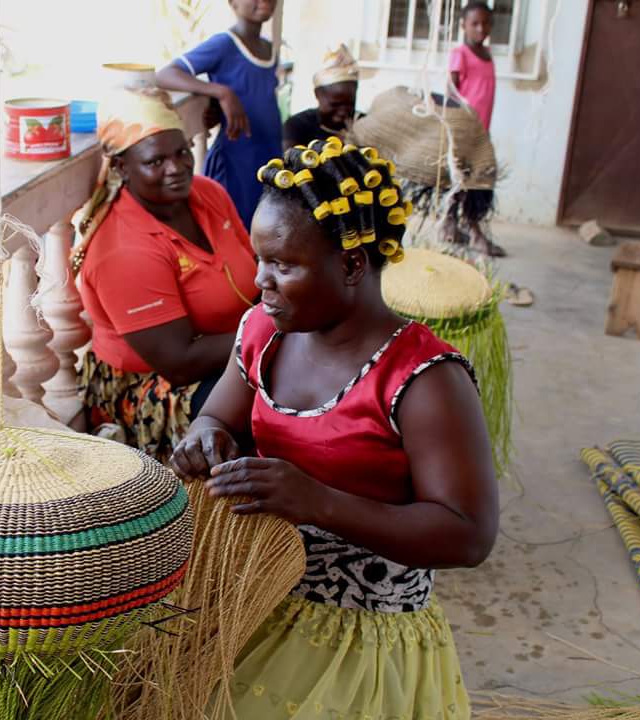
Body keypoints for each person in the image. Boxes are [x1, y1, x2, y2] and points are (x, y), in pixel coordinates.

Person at [171, 143, 498, 719]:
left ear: (351, 265)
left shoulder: (424, 380)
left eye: (283, 265)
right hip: (256, 598)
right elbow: (217, 414)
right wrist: (205, 437)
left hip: (362, 632)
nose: (260, 282)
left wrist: (318, 502)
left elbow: (468, 535)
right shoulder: (262, 333)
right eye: (259, 259)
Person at [72, 88, 258, 462]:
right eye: (155, 161)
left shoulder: (208, 194)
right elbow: (179, 361)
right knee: (270, 404)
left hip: (236, 349)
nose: (176, 168)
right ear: (122, 168)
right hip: (153, 386)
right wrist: (276, 334)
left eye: (182, 152)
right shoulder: (123, 248)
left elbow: (257, 275)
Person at [154, 0, 282, 230]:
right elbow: (165, 74)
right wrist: (221, 92)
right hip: (238, 156)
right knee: (232, 225)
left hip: (267, 154)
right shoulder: (225, 44)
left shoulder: (268, 48)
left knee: (263, 224)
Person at [282, 44, 362, 149]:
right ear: (317, 95)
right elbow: (290, 159)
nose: (343, 111)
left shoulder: (363, 126)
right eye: (335, 104)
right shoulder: (297, 126)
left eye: (350, 104)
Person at [449, 1, 496, 130]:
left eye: (485, 23)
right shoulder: (460, 54)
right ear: (464, 25)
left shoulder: (488, 53)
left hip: (483, 123)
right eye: (474, 24)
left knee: (482, 149)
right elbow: (451, 92)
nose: (480, 28)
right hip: (465, 124)